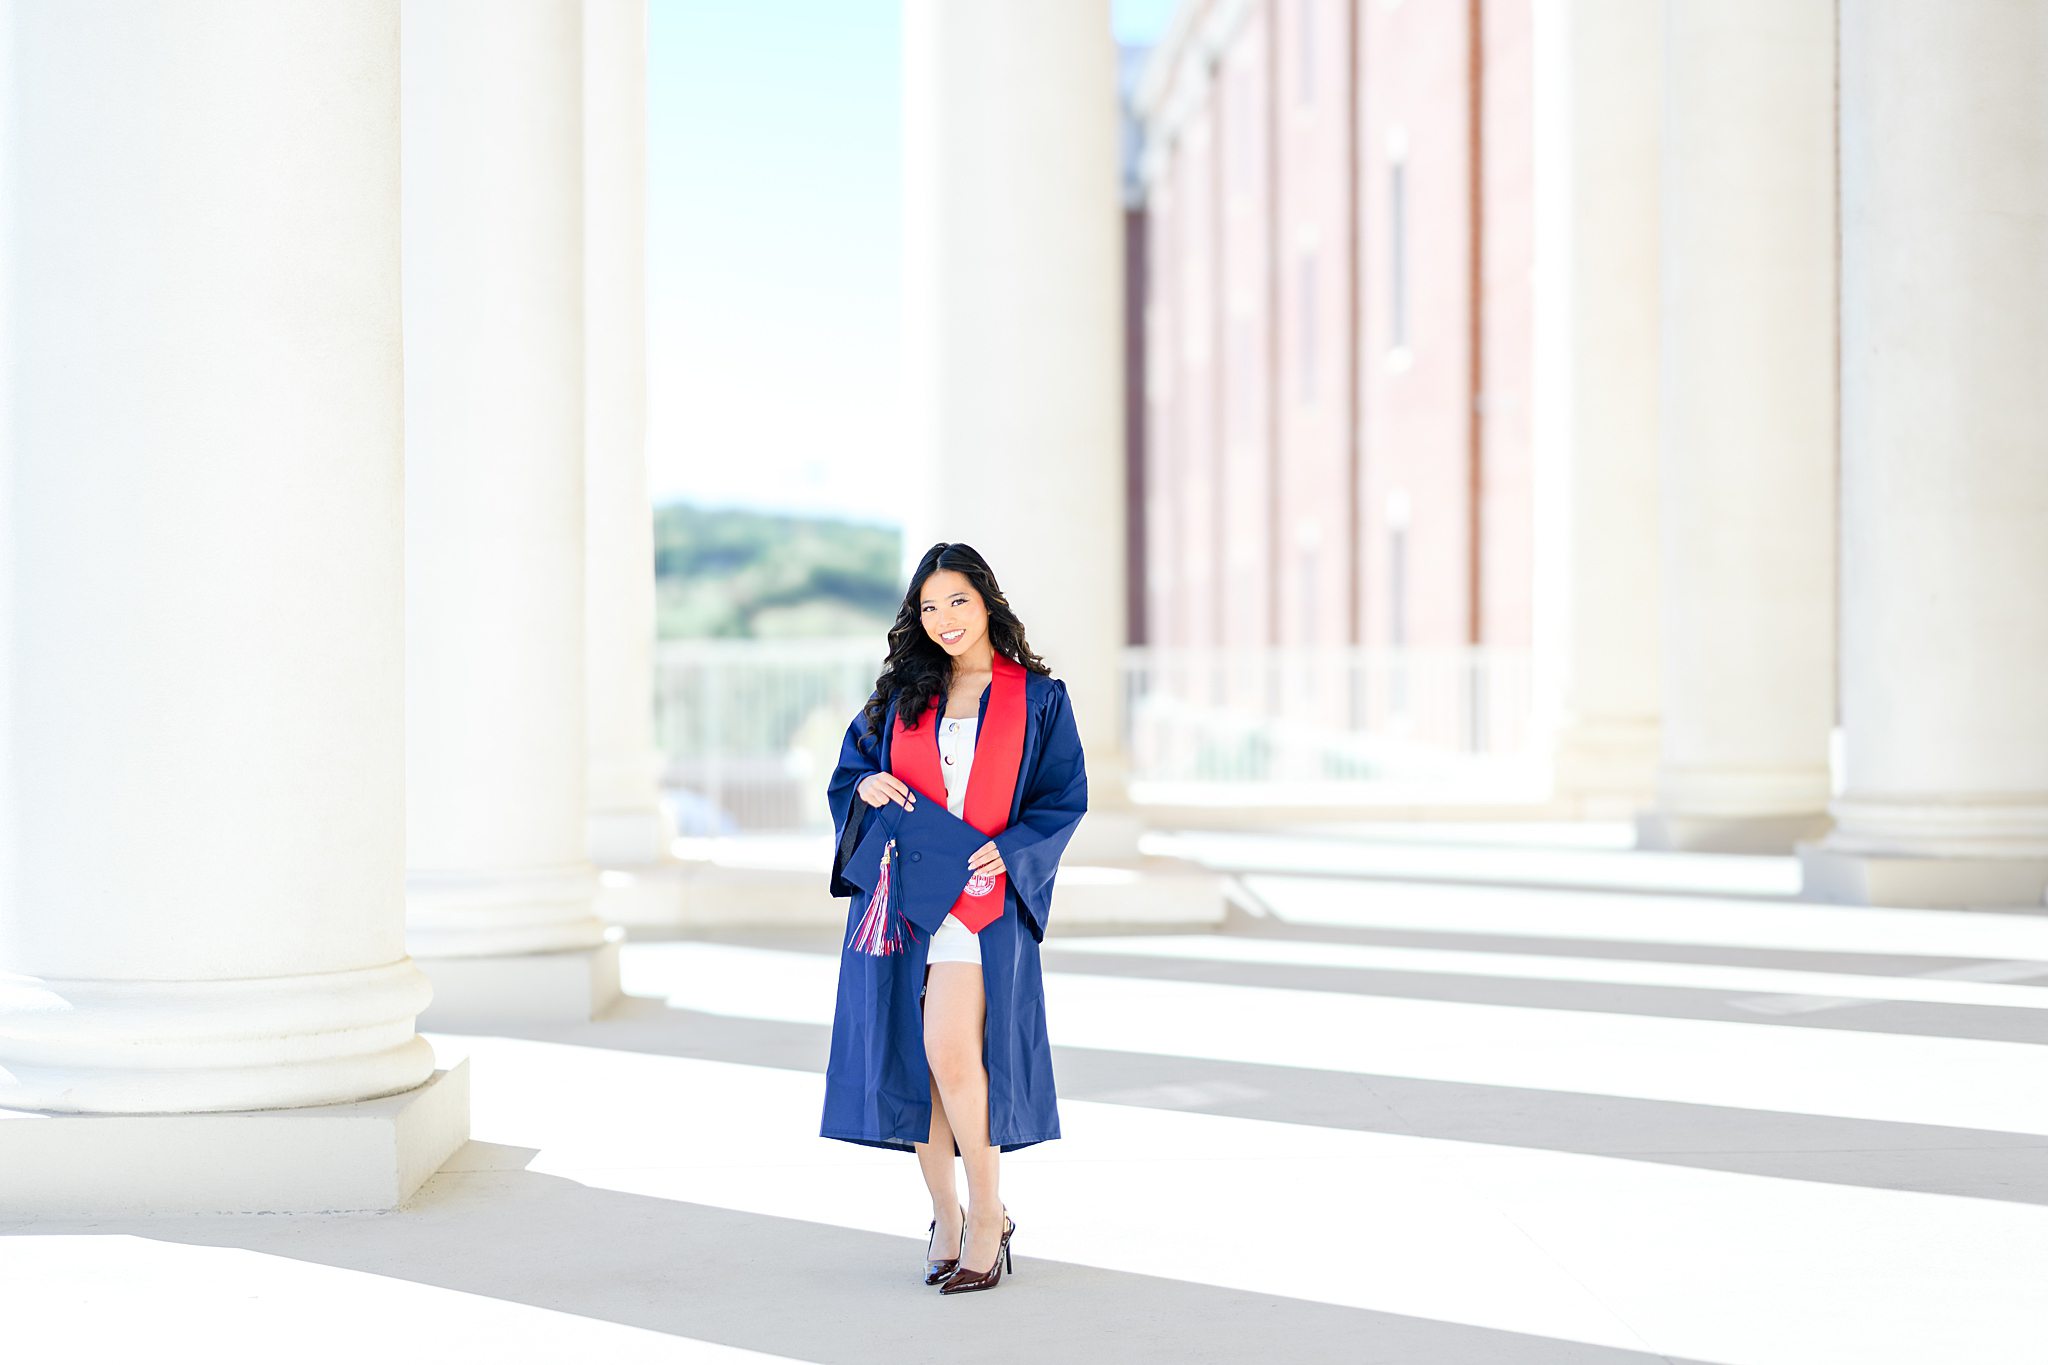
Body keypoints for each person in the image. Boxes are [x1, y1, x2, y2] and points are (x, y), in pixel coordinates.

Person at [819, 542, 1088, 1295]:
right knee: (919, 1065)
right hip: (903, 898)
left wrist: (1014, 850)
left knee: (951, 1048)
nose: (943, 620)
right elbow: (850, 776)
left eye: (957, 601)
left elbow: (1062, 797)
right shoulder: (900, 697)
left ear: (987, 601)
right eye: (929, 607)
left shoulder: (1038, 698)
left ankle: (989, 1213)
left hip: (980, 899)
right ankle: (946, 1213)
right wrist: (866, 783)